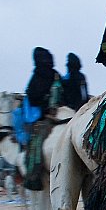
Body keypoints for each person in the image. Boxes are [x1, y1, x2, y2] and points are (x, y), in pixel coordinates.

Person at [23, 46, 63, 190]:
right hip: (63, 111)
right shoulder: (56, 75)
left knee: (35, 143)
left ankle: (33, 175)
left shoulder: (37, 76)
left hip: (45, 116)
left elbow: (33, 97)